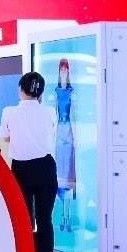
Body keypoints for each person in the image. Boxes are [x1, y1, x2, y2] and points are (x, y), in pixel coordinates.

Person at [0, 72, 58, 252]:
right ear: (40, 92)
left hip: (21, 169)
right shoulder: (50, 112)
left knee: (23, 219)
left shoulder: (9, 112)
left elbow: (5, 137)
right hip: (46, 167)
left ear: (20, 89)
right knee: (45, 219)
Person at [53, 59, 77, 231]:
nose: (63, 72)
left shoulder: (71, 92)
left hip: (69, 134)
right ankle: (62, 216)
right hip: (58, 135)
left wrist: (75, 137)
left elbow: (74, 117)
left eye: (65, 70)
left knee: (68, 175)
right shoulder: (55, 92)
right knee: (58, 176)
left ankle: (66, 218)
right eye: (61, 70)